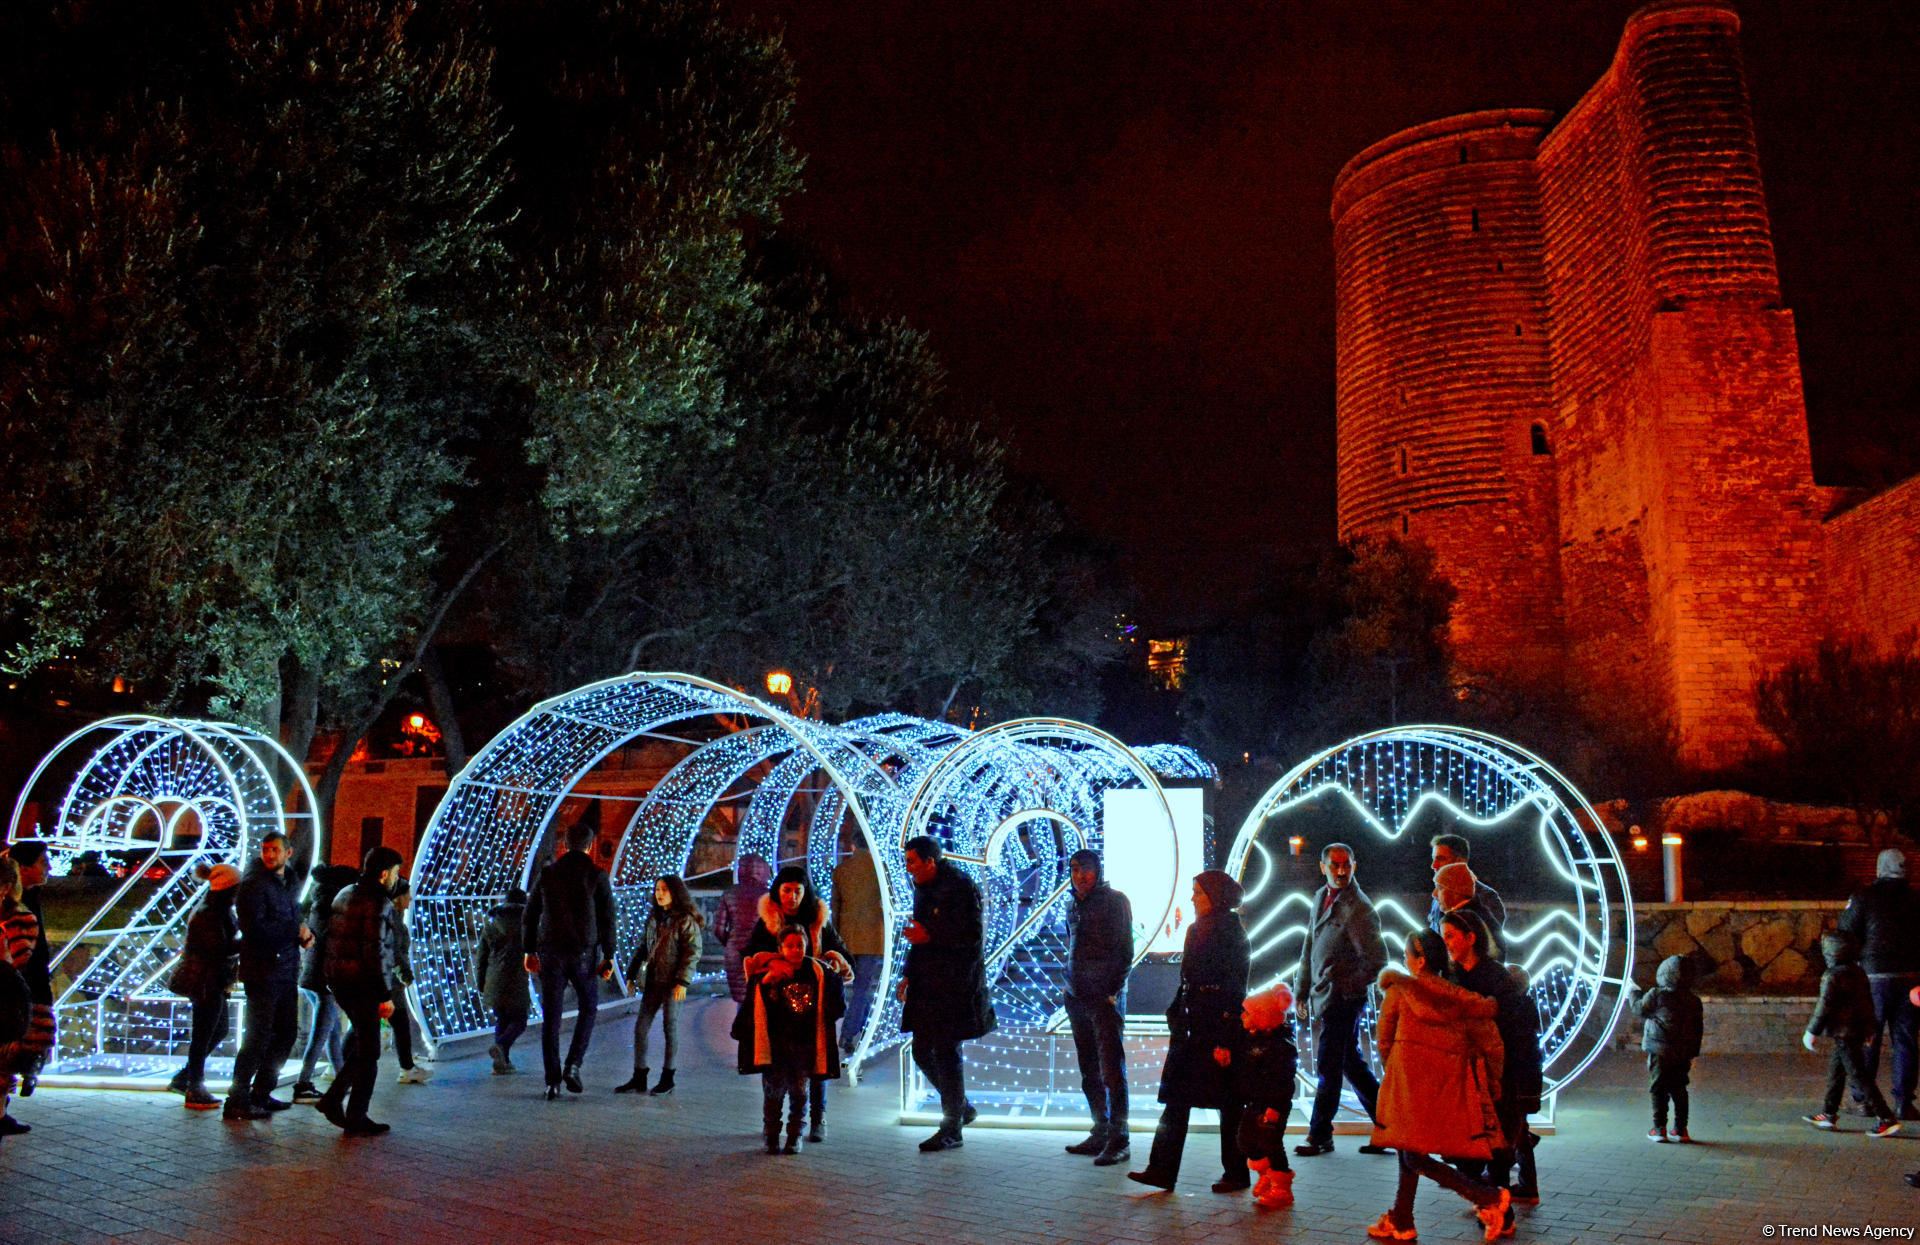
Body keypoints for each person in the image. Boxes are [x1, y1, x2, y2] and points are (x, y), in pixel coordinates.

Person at [1365, 928, 1511, 1242]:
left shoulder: (1399, 991)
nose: (1404, 963)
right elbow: (1490, 1041)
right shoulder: (1460, 998)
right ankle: (1401, 1219)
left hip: (1407, 1085)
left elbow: (1384, 1040)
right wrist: (1494, 1077)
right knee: (1410, 1150)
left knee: (1412, 1153)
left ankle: (1487, 1197)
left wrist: (1397, 1066)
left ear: (1418, 963)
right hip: (1445, 1087)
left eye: (1407, 957)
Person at [1128, 870, 1252, 1194]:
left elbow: (1235, 987)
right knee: (1177, 1099)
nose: (1193, 898)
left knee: (1229, 1102)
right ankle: (1161, 1170)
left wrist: (1225, 1037)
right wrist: (1176, 1012)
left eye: (1199, 892)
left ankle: (1236, 1173)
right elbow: (1188, 980)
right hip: (1191, 1026)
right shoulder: (1196, 929)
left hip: (1217, 1027)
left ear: (1217, 896)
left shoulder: (1233, 934)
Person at [741, 865, 855, 1138]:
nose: (792, 897)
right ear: (778, 892)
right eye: (787, 890)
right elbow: (751, 957)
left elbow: (841, 953)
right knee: (775, 1066)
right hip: (779, 1010)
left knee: (816, 1062)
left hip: (813, 1007)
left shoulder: (818, 919)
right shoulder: (768, 920)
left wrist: (832, 960)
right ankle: (772, 1123)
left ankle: (817, 1118)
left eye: (798, 891)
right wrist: (772, 963)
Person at [900, 835, 996, 1152]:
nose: (908, 867)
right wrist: (907, 975)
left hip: (953, 987)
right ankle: (961, 1109)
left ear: (931, 861)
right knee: (923, 1051)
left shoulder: (959, 887)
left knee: (945, 1052)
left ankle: (952, 1126)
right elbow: (917, 934)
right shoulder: (925, 888)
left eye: (913, 861)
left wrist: (929, 935)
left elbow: (971, 938)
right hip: (929, 984)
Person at [1293, 842, 1389, 1157]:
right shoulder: (1322, 897)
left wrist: (1344, 987)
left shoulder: (1359, 907)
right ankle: (1390, 1126)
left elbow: (1376, 960)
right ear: (1323, 867)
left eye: (1346, 864)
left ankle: (1320, 1135)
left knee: (1329, 1065)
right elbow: (1310, 945)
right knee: (1350, 1064)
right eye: (1334, 865)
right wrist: (1302, 989)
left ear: (1354, 865)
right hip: (1328, 995)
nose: (1341, 870)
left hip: (1343, 1001)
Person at [1443, 910, 1540, 1197]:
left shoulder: (1495, 978)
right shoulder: (1455, 974)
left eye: (1450, 936)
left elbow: (1510, 1033)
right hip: (1475, 1073)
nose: (1446, 943)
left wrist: (1503, 1076)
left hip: (1500, 1073)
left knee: (1496, 1141)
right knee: (1485, 1140)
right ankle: (1497, 1198)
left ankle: (1498, 1206)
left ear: (1471, 938)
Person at [733, 924, 845, 1154]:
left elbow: (836, 993)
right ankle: (772, 1134)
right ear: (780, 948)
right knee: (773, 1093)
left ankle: (795, 1135)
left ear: (807, 945)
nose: (795, 950)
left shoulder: (817, 973)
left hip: (804, 1047)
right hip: (776, 1048)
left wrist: (837, 970)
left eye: (800, 945)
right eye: (790, 946)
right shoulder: (770, 975)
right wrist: (767, 980)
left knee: (800, 1093)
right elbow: (756, 1003)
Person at [523, 822, 616, 1100]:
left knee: (551, 1016)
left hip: (551, 951)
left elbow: (530, 914)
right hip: (584, 953)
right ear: (589, 845)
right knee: (589, 1007)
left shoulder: (549, 873)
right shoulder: (597, 875)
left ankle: (551, 1081)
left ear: (564, 844)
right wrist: (609, 955)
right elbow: (608, 918)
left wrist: (529, 951)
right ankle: (573, 1065)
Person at [317, 846, 404, 1137]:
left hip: (341, 981)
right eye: (395, 873)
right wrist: (384, 994)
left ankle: (335, 1101)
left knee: (363, 1045)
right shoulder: (378, 902)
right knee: (370, 1054)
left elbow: (334, 939)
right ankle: (355, 1115)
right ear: (383, 874)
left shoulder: (346, 893)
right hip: (363, 984)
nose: (396, 878)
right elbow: (375, 952)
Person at [225, 831, 312, 1122]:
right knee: (258, 1037)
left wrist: (303, 934)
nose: (269, 854)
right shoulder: (253, 886)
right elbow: (255, 930)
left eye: (274, 849)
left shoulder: (289, 883)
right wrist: (292, 931)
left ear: (288, 853)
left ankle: (261, 1093)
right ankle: (237, 1099)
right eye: (265, 849)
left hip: (286, 969)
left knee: (287, 1034)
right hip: (262, 971)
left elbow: (290, 920)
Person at [1061, 847, 1134, 1166]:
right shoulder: (1073, 904)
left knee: (1111, 1070)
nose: (1079, 876)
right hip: (1077, 995)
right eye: (1074, 869)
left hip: (1104, 998)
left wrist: (1112, 991)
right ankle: (1101, 1130)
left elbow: (1125, 949)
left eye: (1085, 869)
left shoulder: (1115, 900)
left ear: (1098, 869)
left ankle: (1119, 1139)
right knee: (1089, 1069)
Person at [1838, 848, 1920, 1120]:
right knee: (1906, 1041)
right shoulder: (1915, 898)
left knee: (1868, 1039)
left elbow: (1845, 932)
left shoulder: (1864, 896)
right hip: (1910, 979)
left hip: (1873, 978)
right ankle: (1904, 1102)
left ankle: (1864, 1100)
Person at [1802, 930, 1901, 1137]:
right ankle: (1828, 1114)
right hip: (1852, 1032)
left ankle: (1886, 1117)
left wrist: (1812, 1031)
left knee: (1859, 1076)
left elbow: (1824, 1006)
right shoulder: (1858, 972)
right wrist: (1870, 1028)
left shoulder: (1832, 976)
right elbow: (1867, 1003)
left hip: (1844, 1033)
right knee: (1837, 1073)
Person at [615, 875, 704, 1096]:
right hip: (654, 981)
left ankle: (668, 1077)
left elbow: (692, 953)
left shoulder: (685, 920)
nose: (659, 893)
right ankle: (639, 1075)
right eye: (657, 889)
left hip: (673, 984)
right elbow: (642, 948)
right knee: (641, 1027)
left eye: (664, 889)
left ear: (675, 892)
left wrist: (683, 981)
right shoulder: (654, 918)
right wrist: (631, 974)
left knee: (670, 1027)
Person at [169, 863, 243, 1109]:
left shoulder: (219, 910)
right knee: (203, 1034)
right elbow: (217, 948)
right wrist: (247, 941)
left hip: (211, 979)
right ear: (229, 888)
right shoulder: (210, 913)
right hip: (204, 980)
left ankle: (185, 1078)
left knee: (217, 1029)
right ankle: (194, 1086)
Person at [291, 863, 359, 1104]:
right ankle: (303, 1083)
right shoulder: (333, 912)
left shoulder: (317, 904)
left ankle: (341, 1078)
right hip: (325, 980)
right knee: (321, 1034)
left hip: (311, 976)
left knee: (331, 1031)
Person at [0, 856, 55, 1136]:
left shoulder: (21, 914)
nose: (48, 869)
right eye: (43, 863)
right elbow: (21, 959)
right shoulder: (20, 916)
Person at [1234, 983, 1299, 1208]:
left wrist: (1275, 1107)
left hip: (1272, 1105)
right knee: (1245, 1141)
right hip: (1253, 1103)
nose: (1243, 1016)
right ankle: (1266, 1175)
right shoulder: (1251, 1040)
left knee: (1271, 1143)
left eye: (1249, 1012)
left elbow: (1282, 1082)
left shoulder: (1280, 1048)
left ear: (1262, 1017)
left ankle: (1281, 1186)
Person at [1637, 953, 1703, 1143]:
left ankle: (1659, 1128)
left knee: (1658, 1087)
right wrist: (1692, 1052)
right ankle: (1681, 1129)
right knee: (1679, 1088)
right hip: (1682, 1053)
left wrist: (1632, 993)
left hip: (1660, 1051)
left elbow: (1640, 1009)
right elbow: (1698, 1029)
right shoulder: (1693, 1001)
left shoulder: (1657, 995)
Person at [831, 839, 886, 1055]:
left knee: (845, 987)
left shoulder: (841, 871)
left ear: (852, 845)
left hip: (846, 937)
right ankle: (850, 1032)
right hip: (872, 937)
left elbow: (835, 907)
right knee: (863, 989)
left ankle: (846, 1029)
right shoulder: (880, 870)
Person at [472, 885, 531, 1074]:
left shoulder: (491, 924)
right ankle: (501, 1047)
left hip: (493, 979)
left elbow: (481, 957)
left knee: (502, 1019)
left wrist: (481, 982)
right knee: (520, 1020)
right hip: (517, 978)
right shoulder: (526, 924)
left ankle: (501, 1064)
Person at [387, 877, 431, 1085]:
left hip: (390, 978)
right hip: (391, 980)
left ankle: (407, 1067)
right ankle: (406, 1068)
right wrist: (404, 973)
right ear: (398, 897)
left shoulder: (394, 916)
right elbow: (395, 951)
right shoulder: (393, 919)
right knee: (399, 1022)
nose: (410, 898)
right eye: (407, 894)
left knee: (396, 1023)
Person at [714, 853, 772, 1003]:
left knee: (741, 1003)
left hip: (734, 952)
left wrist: (730, 943)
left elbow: (718, 929)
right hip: (760, 954)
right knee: (759, 1001)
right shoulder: (768, 896)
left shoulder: (730, 893)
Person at [1427, 834, 1506, 935]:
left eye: (1441, 859)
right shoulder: (1438, 896)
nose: (1434, 865)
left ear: (1460, 862)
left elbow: (1487, 941)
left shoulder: (1485, 897)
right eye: (1434, 859)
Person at [1432, 864, 1504, 959]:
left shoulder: (1466, 920)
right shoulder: (1475, 914)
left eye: (1440, 888)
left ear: (1456, 891)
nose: (1435, 894)